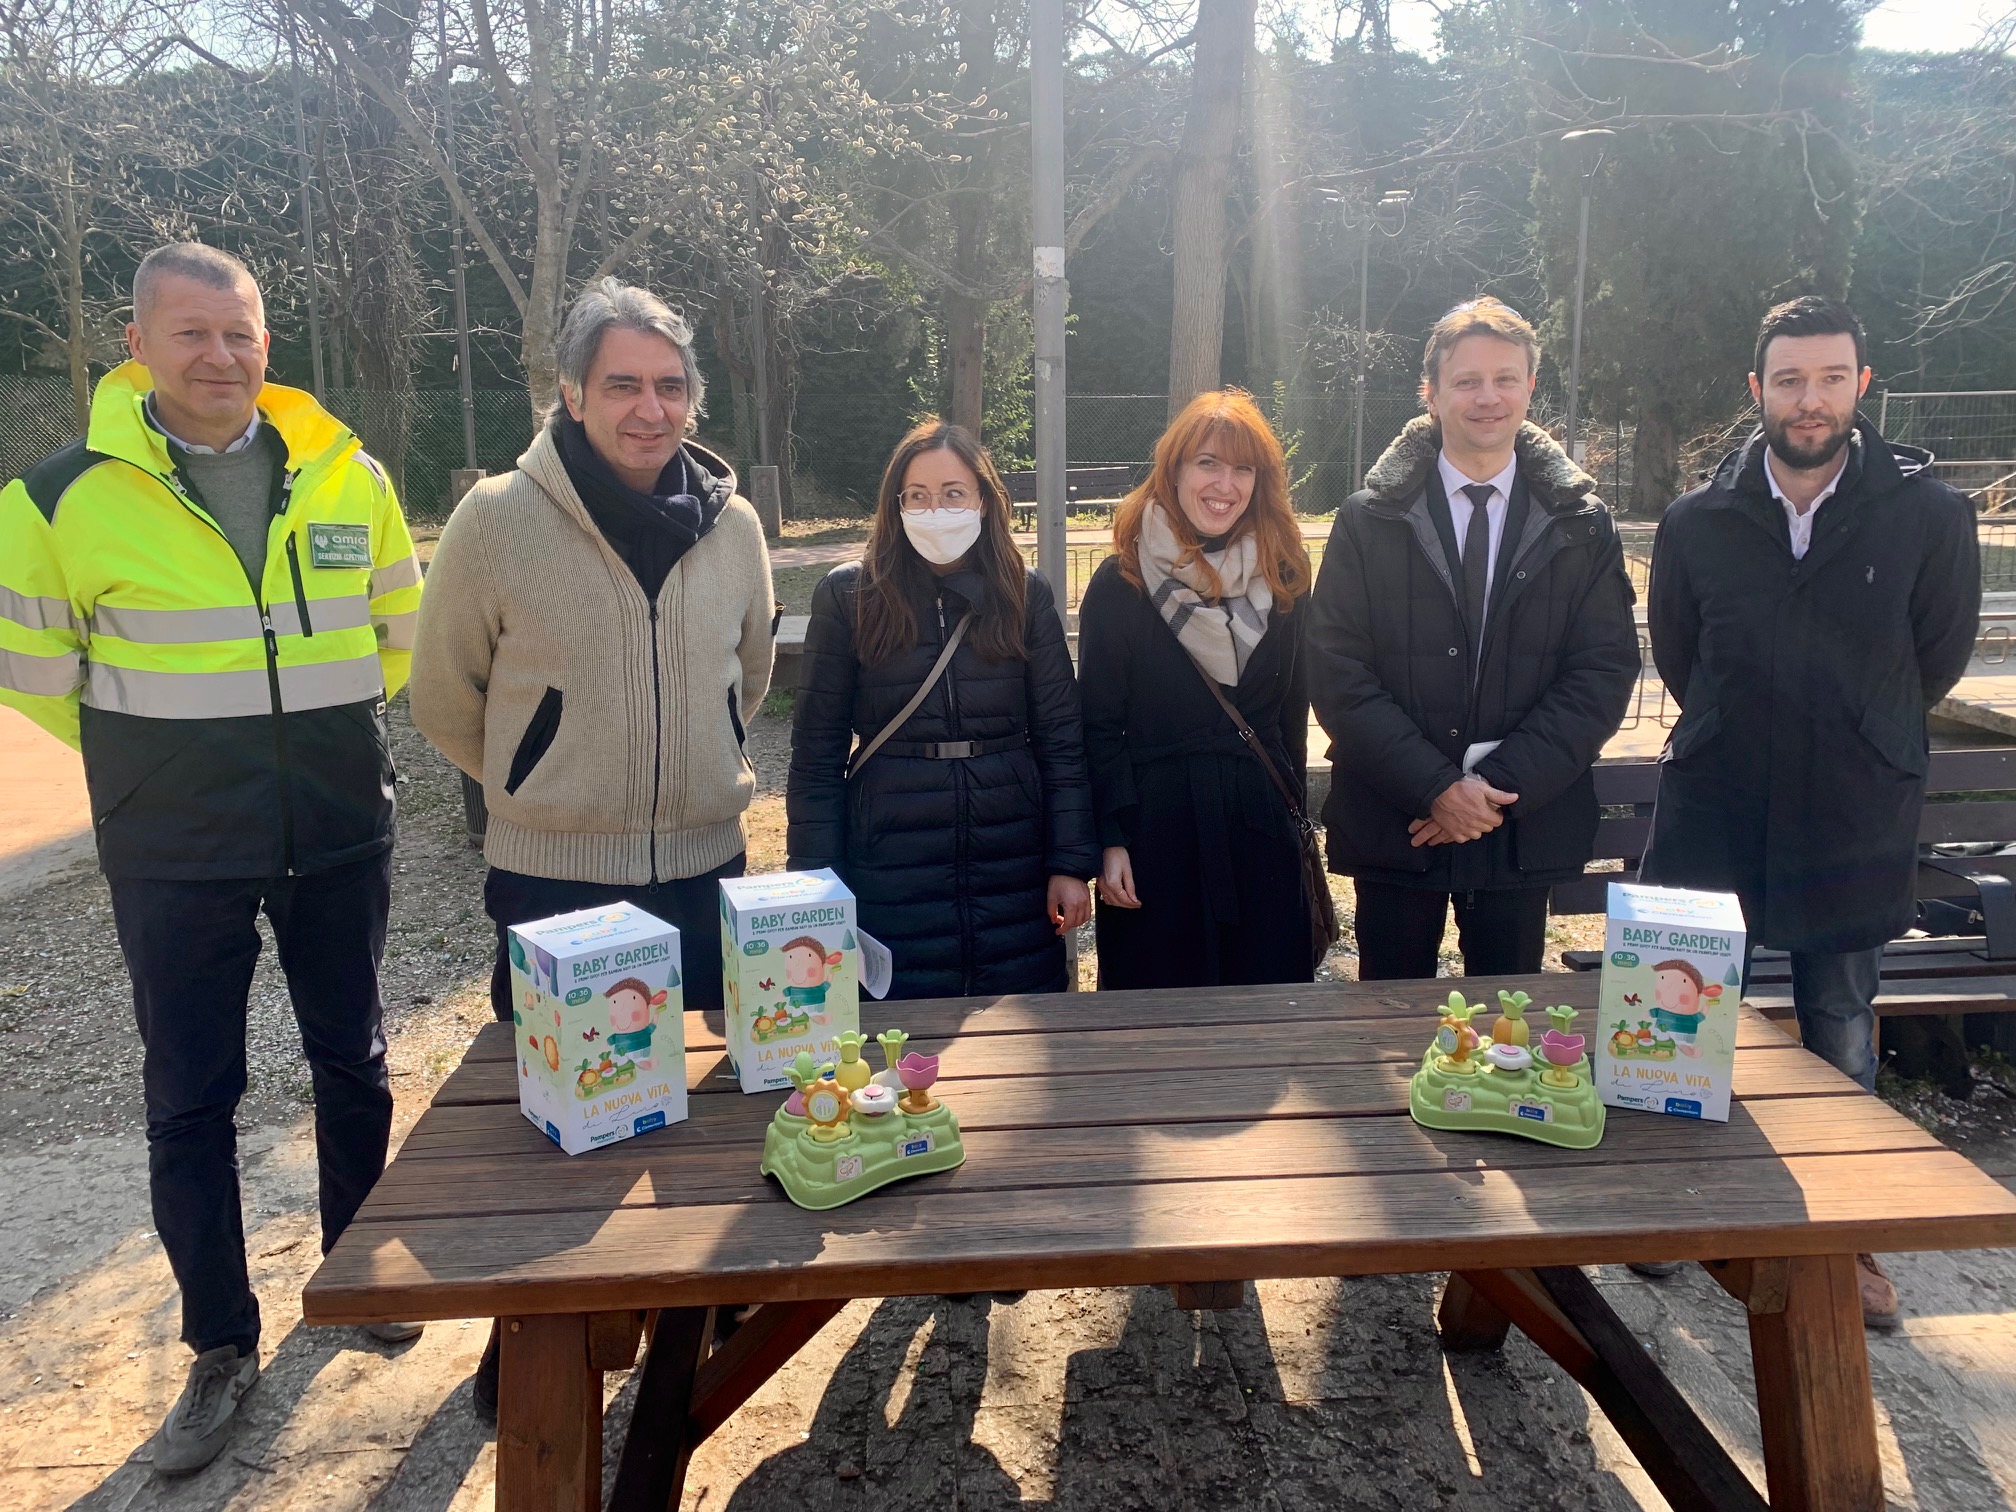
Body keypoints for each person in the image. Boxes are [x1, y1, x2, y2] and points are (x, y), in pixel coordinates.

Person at [0, 242, 424, 1476]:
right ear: (135, 346)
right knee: (192, 1097)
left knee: (355, 1059)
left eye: (239, 332)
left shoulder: (350, 475)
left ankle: (360, 1271)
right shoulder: (55, 500)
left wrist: (314, 743)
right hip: (173, 845)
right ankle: (219, 1344)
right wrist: (168, 758)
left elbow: (397, 635)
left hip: (338, 822)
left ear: (266, 344)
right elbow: (35, 673)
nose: (219, 356)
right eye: (191, 333)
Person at [408, 276, 774, 1410]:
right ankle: (532, 1329)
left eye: (669, 387)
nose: (648, 408)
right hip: (557, 876)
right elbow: (444, 697)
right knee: (562, 1120)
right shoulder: (495, 521)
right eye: (622, 384)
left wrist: (696, 765)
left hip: (705, 866)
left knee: (697, 1111)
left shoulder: (736, 526)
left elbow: (747, 675)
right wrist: (543, 783)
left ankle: (690, 1301)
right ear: (572, 392)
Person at [1640, 295, 1980, 1326]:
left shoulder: (1932, 518)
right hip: (1718, 803)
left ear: (1862, 386)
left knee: (1839, 1027)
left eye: (1831, 377)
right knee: (1684, 1021)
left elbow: (1935, 659)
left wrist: (1854, 733)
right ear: (1757, 392)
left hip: (1850, 811)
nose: (1810, 399)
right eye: (1789, 379)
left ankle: (1848, 1243)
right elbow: (1683, 656)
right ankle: (1674, 1215)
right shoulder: (1698, 522)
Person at [1306, 297, 1639, 980]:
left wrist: (1491, 789)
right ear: (1430, 393)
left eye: (1505, 378)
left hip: (1519, 822)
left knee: (1507, 1031)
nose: (1487, 397)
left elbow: (1602, 672)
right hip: (1397, 820)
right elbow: (1337, 670)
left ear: (1530, 388)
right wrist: (1434, 788)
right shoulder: (1368, 521)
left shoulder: (1583, 525)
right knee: (1391, 1022)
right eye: (1466, 381)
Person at [787, 419, 1098, 998]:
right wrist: (816, 886)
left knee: (1015, 1039)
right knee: (901, 1046)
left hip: (1012, 851)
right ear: (896, 505)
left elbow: (1061, 740)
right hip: (891, 852)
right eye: (919, 497)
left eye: (953, 493)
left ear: (983, 499)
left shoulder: (1025, 594)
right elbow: (816, 755)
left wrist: (1069, 862)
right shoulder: (848, 595)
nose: (937, 509)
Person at [1078, 389, 1316, 987]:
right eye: (1208, 462)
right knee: (1154, 1028)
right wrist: (1110, 842)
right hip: (1155, 838)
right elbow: (1099, 726)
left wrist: (1295, 820)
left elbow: (1291, 714)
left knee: (1265, 1028)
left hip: (1260, 828)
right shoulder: (1122, 583)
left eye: (1243, 469)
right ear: (1175, 470)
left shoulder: (1283, 578)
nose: (1225, 484)